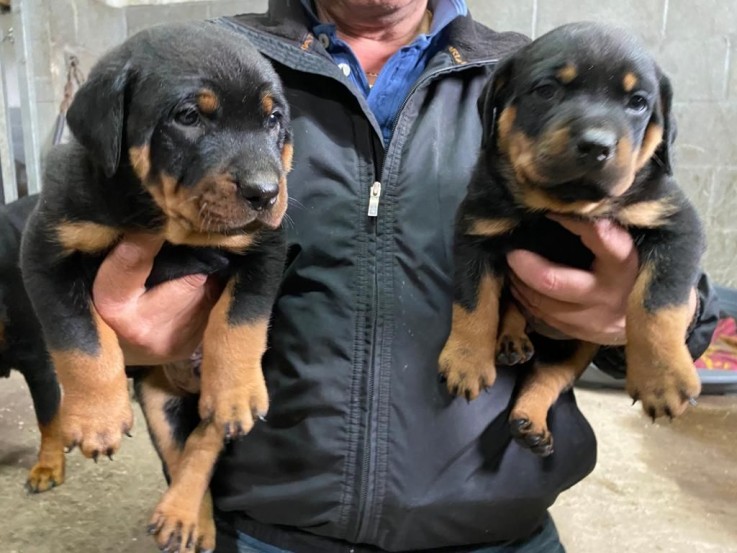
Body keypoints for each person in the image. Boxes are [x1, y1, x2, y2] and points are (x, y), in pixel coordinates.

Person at [52, 1, 722, 551]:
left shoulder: (525, 70)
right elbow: (77, 234)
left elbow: (676, 291)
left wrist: (633, 320)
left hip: (499, 526)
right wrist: (134, 349)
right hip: (268, 526)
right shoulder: (211, 62)